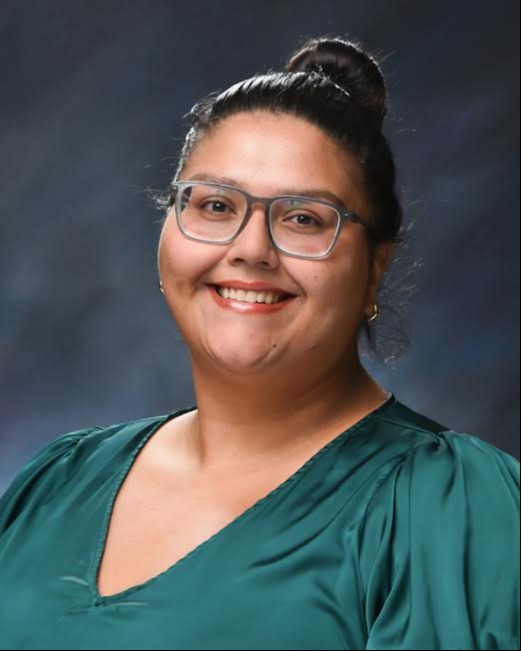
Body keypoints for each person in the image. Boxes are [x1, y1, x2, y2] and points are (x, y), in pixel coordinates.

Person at [0, 36, 519, 651]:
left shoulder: (444, 507)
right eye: (216, 205)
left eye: (304, 218)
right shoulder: (56, 482)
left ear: (375, 268)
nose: (250, 249)